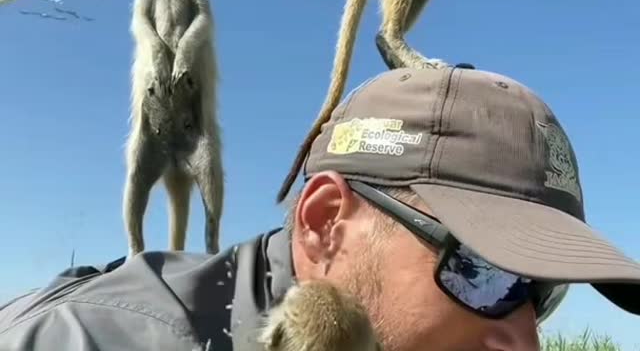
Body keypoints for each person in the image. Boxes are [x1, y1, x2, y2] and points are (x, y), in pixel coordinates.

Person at [1, 65, 639, 351]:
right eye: (483, 273)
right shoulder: (92, 342)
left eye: (543, 291)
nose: (524, 343)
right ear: (325, 224)